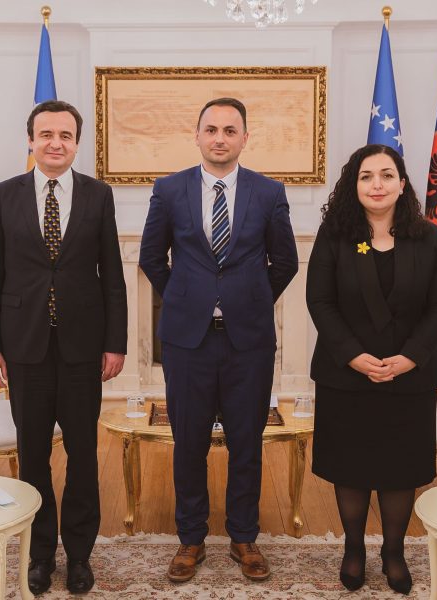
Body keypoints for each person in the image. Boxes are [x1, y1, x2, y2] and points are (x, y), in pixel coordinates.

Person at [139, 97, 298, 582]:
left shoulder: (268, 192)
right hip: (188, 342)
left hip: (248, 342)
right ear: (197, 135)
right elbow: (151, 258)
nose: (220, 138)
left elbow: (285, 262)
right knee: (189, 442)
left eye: (230, 130)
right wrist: (187, 298)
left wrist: (248, 300)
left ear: (245, 138)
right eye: (211, 129)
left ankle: (244, 537)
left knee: (246, 442)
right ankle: (190, 538)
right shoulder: (169, 189)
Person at [0, 100, 127, 595]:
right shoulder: (4, 195)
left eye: (65, 135)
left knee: (83, 455)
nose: (55, 143)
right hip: (25, 349)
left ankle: (79, 554)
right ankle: (39, 554)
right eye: (46, 134)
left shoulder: (99, 195)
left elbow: (113, 277)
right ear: (31, 140)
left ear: (77, 143)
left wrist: (115, 343)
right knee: (33, 456)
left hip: (84, 348)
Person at [306, 144, 437, 595]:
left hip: (409, 377)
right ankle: (353, 549)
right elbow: (320, 301)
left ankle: (394, 552)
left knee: (399, 469)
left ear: (402, 184)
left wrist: (411, 357)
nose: (377, 185)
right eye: (366, 176)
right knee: (350, 467)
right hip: (345, 375)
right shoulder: (334, 235)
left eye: (387, 175)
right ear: (354, 185)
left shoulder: (430, 238)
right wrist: (353, 355)